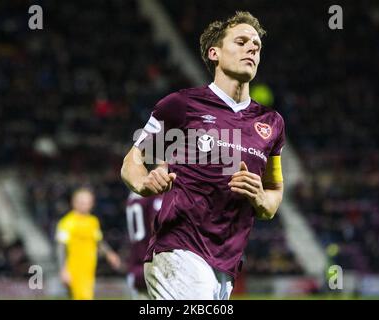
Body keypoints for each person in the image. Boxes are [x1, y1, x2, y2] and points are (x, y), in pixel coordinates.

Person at [121, 11, 285, 300]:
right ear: (215, 53)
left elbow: (273, 194)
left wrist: (260, 198)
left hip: (226, 264)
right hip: (179, 250)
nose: (251, 49)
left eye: (256, 46)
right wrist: (144, 182)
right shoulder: (182, 106)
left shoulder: (271, 124)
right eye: (241, 41)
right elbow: (132, 161)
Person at [56, 188, 121, 300]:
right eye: (82, 202)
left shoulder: (93, 221)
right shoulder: (66, 222)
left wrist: (110, 254)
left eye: (88, 202)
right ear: (74, 202)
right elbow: (61, 247)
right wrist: (63, 269)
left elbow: (99, 241)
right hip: (74, 270)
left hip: (89, 269)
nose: (85, 205)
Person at [125, 192, 163, 299]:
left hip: (135, 264)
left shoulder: (132, 196)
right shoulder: (155, 196)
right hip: (155, 263)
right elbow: (159, 224)